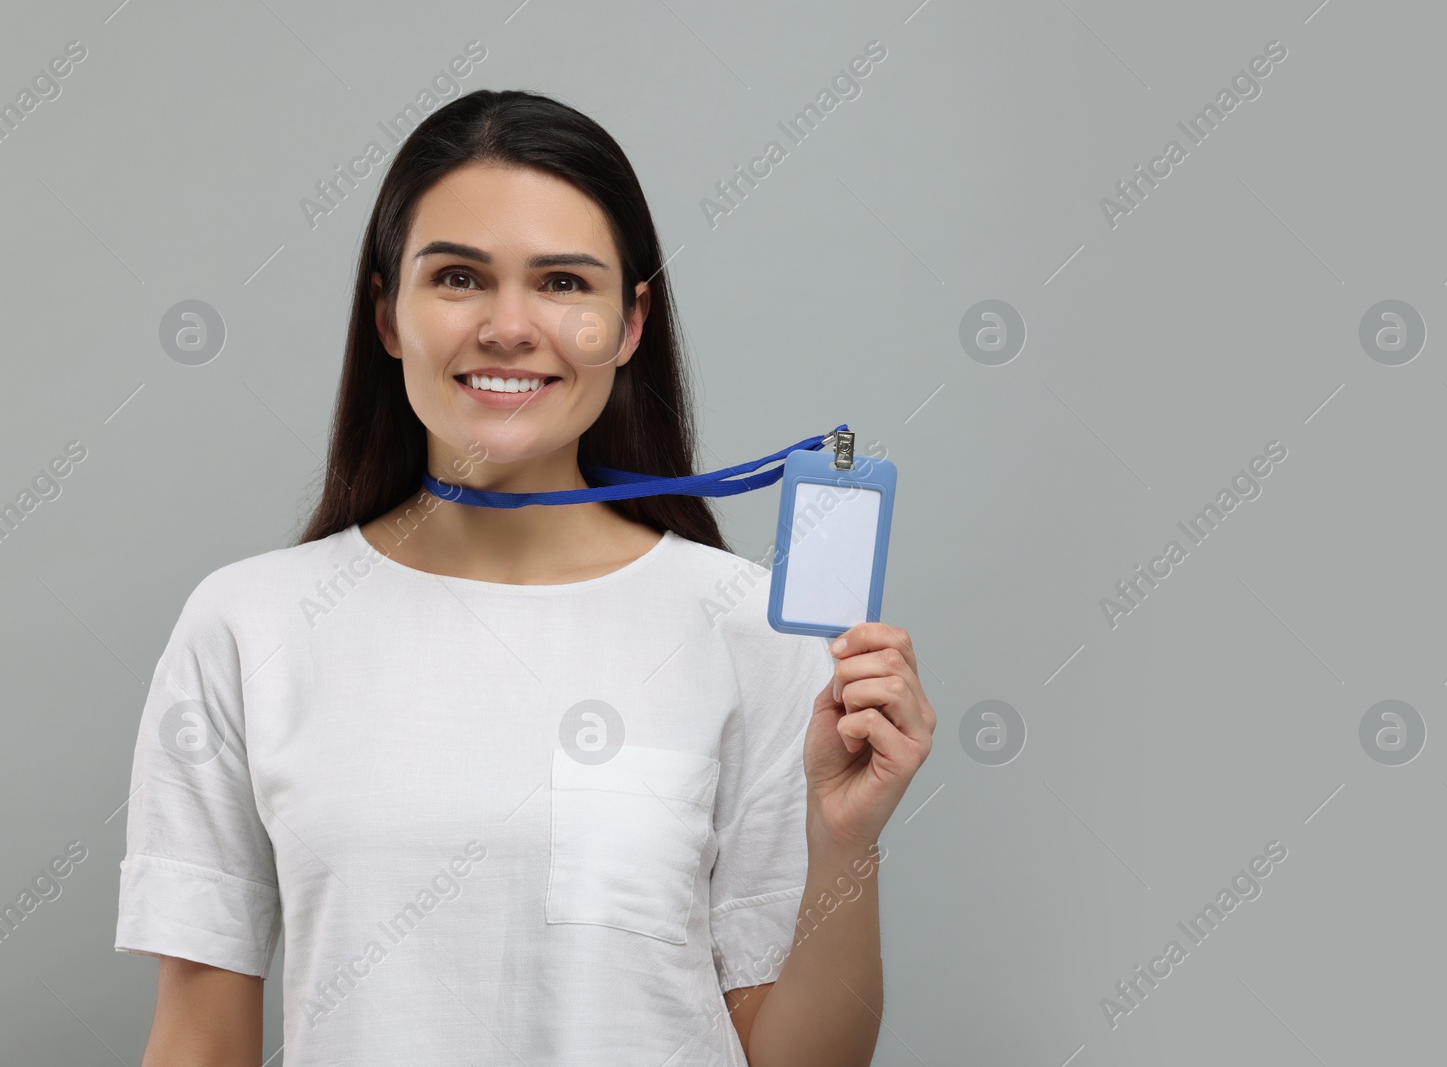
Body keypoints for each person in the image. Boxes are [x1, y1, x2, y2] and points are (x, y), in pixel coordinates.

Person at [114, 88, 935, 1066]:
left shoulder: (748, 626)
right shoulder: (246, 625)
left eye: (562, 283)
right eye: (459, 277)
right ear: (386, 313)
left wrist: (848, 846)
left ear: (628, 324)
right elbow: (199, 1038)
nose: (508, 327)